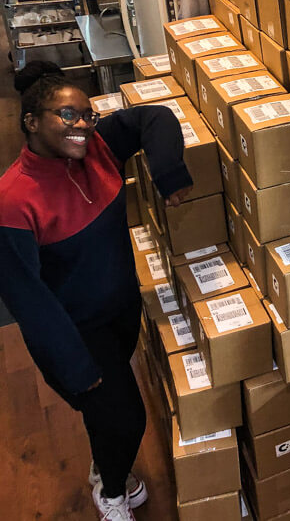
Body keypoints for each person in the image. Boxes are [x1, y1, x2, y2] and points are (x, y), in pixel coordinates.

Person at [0, 68, 193, 520]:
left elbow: (157, 118)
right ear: (31, 121)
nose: (82, 125)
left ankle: (105, 460)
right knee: (126, 417)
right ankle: (110, 491)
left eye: (88, 114)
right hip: (76, 334)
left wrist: (169, 173)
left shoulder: (98, 149)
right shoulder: (13, 201)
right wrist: (75, 368)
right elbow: (29, 302)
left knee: (109, 417)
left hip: (121, 313)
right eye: (67, 115)